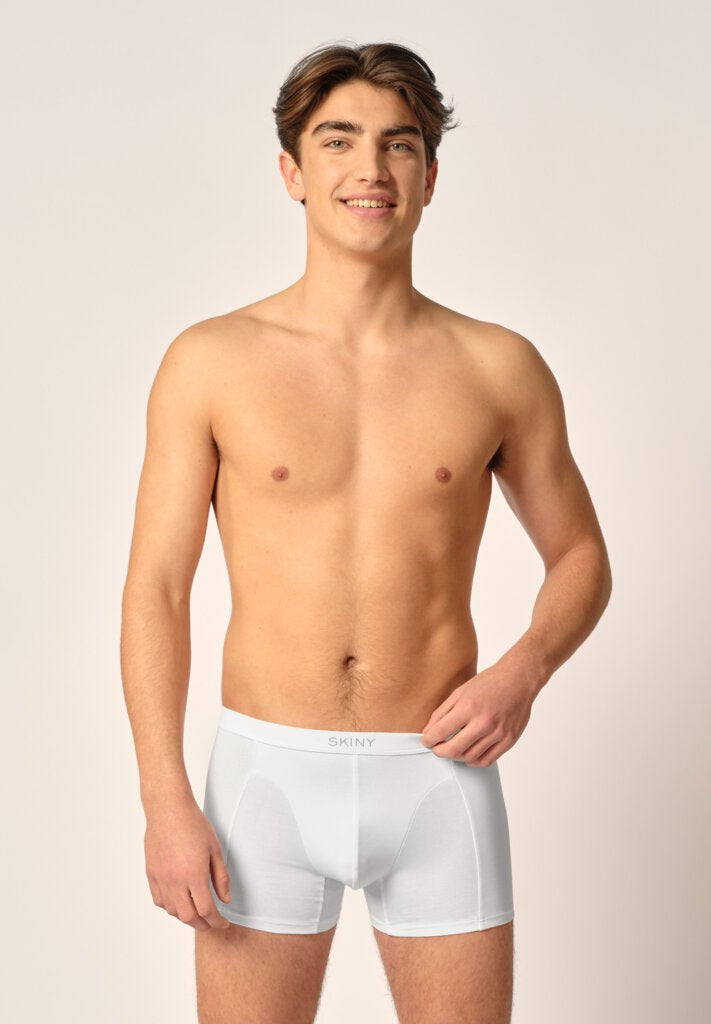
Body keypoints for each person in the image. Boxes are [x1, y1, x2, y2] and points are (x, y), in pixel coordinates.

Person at [120, 40, 612, 1024]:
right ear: (293, 172)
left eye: (399, 144)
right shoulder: (211, 361)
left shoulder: (498, 367)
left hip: (439, 780)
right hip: (265, 780)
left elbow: (581, 555)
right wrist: (164, 799)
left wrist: (522, 671)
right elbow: (156, 590)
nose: (370, 168)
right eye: (338, 141)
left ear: (429, 175)